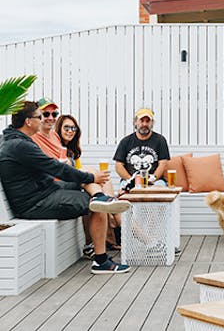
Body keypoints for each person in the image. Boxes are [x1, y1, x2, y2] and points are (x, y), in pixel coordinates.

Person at [0, 101, 131, 274]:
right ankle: (101, 261)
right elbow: (56, 168)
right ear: (28, 121)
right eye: (40, 117)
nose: (44, 120)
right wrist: (91, 178)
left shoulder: (17, 141)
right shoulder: (20, 145)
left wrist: (89, 177)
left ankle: (100, 195)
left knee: (87, 175)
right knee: (96, 205)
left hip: (45, 190)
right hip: (36, 203)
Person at [56, 114, 122, 251]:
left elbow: (78, 172)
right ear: (59, 129)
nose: (70, 131)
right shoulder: (57, 148)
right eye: (66, 127)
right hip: (64, 189)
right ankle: (124, 230)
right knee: (94, 178)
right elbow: (72, 174)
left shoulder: (73, 152)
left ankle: (111, 208)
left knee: (105, 182)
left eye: (73, 128)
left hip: (75, 185)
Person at [113, 108, 170, 189]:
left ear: (152, 123)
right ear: (135, 122)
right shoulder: (126, 141)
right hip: (130, 179)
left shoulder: (160, 140)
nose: (144, 124)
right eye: (141, 121)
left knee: (159, 189)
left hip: (155, 180)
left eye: (147, 121)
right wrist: (131, 179)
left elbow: (163, 164)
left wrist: (153, 179)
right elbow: (118, 165)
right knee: (123, 192)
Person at [31, 97, 68, 162]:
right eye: (46, 114)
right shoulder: (32, 137)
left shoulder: (55, 134)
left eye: (54, 114)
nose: (51, 118)